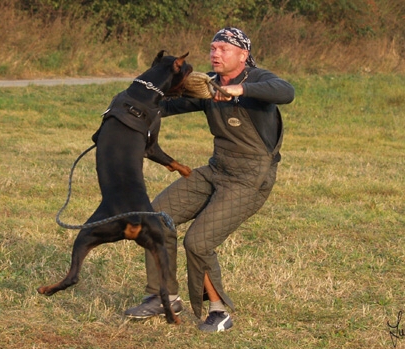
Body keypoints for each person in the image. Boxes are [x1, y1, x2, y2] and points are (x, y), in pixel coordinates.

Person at [124, 27, 295, 332]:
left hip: (250, 178)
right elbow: (167, 106)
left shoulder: (257, 79)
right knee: (155, 217)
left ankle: (218, 312)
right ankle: (165, 295)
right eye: (213, 48)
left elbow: (286, 91)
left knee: (198, 242)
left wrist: (239, 91)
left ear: (242, 55)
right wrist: (132, 104)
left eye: (223, 49)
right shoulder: (207, 84)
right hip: (216, 169)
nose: (215, 54)